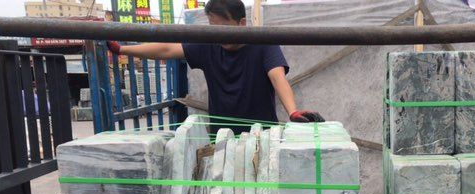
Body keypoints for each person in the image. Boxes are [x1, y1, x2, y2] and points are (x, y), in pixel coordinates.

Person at [107, 0, 323, 134]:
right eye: (213, 28)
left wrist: (292, 111)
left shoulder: (263, 43)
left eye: (224, 28)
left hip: (263, 137)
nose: (218, 35)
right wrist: (122, 50)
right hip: (221, 138)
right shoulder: (209, 44)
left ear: (241, 23)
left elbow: (277, 77)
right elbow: (167, 49)